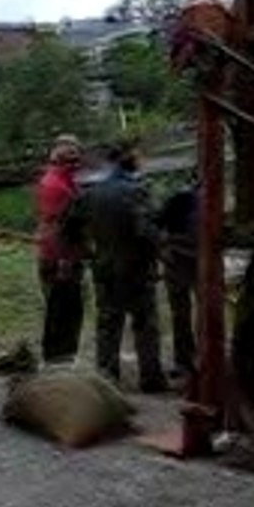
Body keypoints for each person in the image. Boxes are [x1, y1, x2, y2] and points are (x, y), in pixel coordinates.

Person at [61, 138, 169, 393]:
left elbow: (68, 229)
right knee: (145, 322)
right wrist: (159, 254)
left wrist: (87, 251)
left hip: (105, 266)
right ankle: (151, 378)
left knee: (108, 323)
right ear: (127, 161)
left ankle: (107, 377)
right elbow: (147, 230)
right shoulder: (137, 191)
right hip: (138, 268)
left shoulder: (89, 194)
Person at [33, 134, 85, 364]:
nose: (77, 163)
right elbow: (59, 227)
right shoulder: (57, 186)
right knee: (62, 310)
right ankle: (58, 359)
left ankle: (62, 356)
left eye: (77, 158)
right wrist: (64, 260)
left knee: (68, 309)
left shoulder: (65, 181)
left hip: (62, 253)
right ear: (60, 159)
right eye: (72, 159)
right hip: (59, 257)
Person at [157, 179, 200, 379]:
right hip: (197, 260)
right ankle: (200, 359)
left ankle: (184, 361)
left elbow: (157, 226)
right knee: (202, 313)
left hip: (177, 260)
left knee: (181, 315)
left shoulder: (178, 197)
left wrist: (164, 249)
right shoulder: (201, 200)